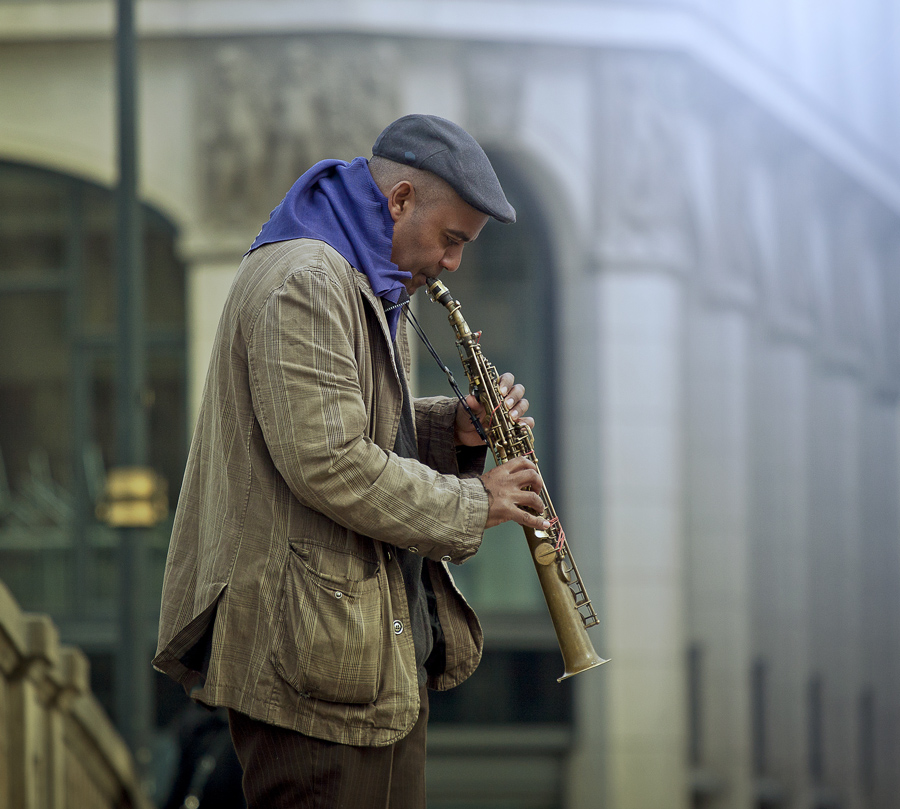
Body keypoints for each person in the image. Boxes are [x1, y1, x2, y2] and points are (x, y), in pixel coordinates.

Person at [153, 114, 550, 808]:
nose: (453, 263)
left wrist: (454, 428)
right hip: (310, 663)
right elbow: (328, 461)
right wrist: (475, 500)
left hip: (353, 656)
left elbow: (358, 430)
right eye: (451, 239)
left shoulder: (362, 269)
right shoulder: (307, 278)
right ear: (399, 200)